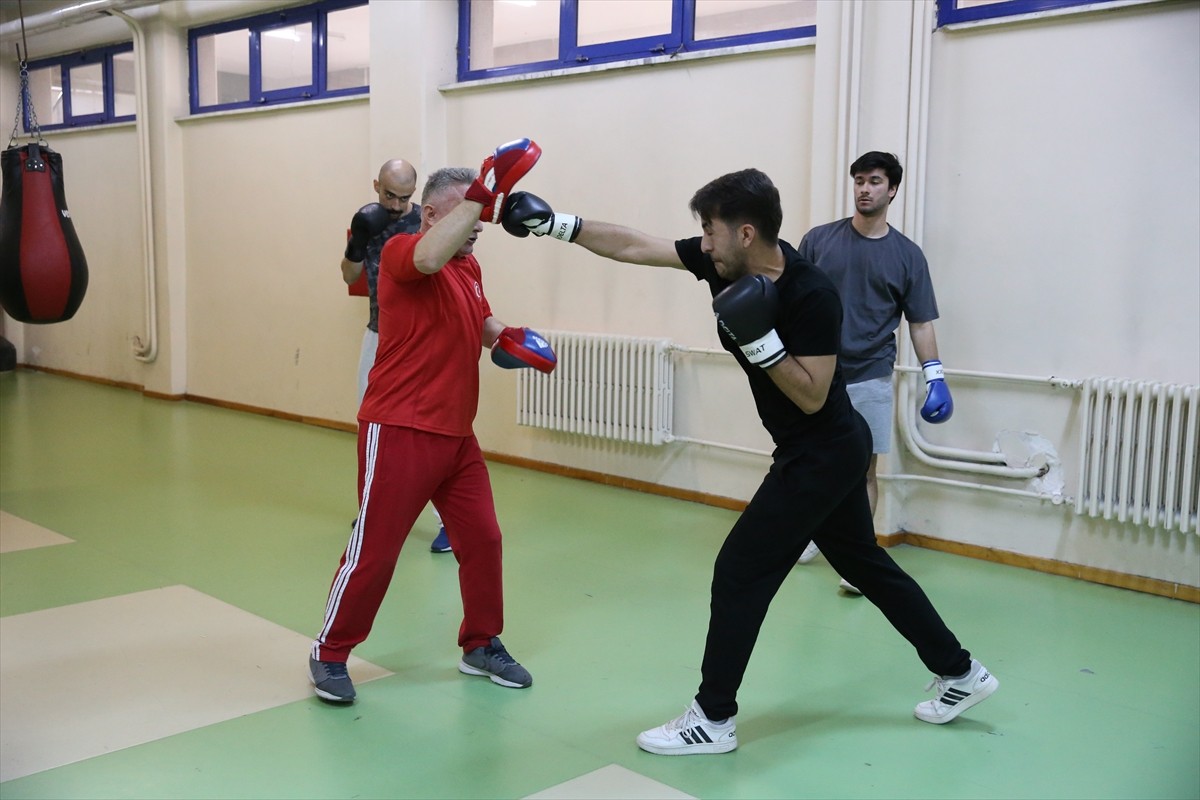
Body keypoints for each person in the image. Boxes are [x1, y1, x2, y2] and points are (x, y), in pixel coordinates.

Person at [500, 168, 997, 754]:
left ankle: (712, 719)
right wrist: (557, 225)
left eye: (709, 232)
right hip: (817, 449)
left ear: (744, 232)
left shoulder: (811, 293)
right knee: (864, 564)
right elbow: (637, 246)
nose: (701, 245)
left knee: (739, 570)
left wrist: (763, 342)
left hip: (824, 451)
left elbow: (813, 393)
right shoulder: (723, 261)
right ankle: (962, 673)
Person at [311, 140, 548, 703]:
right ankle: (330, 651)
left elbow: (482, 320)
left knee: (483, 539)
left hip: (456, 435)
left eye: (481, 218)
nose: (477, 227)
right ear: (434, 213)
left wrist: (512, 340)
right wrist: (483, 194)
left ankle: (481, 643)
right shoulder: (401, 250)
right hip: (399, 428)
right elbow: (425, 260)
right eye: (469, 215)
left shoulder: (469, 265)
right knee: (376, 548)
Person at [794, 151, 953, 594]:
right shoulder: (819, 241)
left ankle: (857, 558)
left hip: (869, 375)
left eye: (875, 181)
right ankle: (811, 536)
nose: (865, 188)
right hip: (814, 373)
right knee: (807, 462)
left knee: (862, 470)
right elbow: (791, 297)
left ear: (893, 190)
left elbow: (920, 321)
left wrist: (935, 376)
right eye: (859, 180)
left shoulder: (907, 256)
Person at [340, 159, 450, 553]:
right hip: (377, 334)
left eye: (405, 197)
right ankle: (373, 512)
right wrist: (356, 243)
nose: (397, 205)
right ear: (376, 186)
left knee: (425, 435)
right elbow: (349, 276)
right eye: (390, 195)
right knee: (369, 427)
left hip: (420, 342)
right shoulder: (368, 221)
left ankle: (447, 522)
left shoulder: (429, 223)